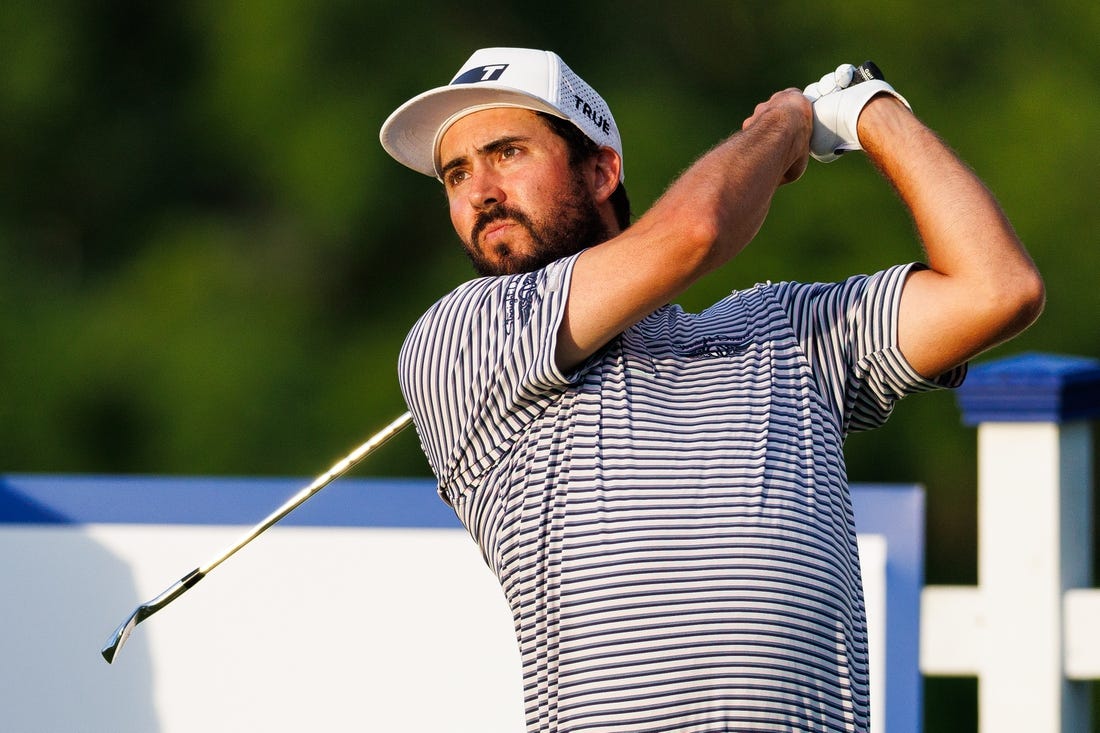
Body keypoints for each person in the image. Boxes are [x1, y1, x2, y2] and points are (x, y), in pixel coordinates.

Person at [379, 48, 1043, 732]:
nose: (480, 191)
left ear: (602, 169)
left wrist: (871, 110)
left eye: (507, 152)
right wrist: (784, 125)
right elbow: (695, 233)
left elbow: (997, 288)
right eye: (456, 173)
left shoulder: (784, 330)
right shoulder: (461, 336)